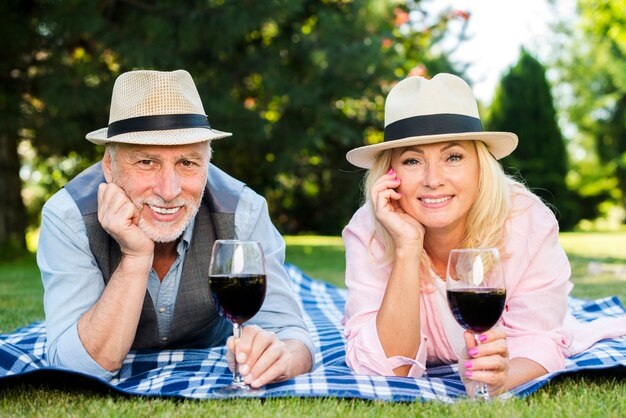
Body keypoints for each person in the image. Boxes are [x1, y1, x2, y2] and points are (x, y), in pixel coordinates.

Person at [341, 73, 626, 396]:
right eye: (412, 160)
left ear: (480, 164)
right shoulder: (369, 229)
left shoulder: (527, 221)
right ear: (390, 174)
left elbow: (539, 340)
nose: (433, 179)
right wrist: (407, 245)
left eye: (453, 157)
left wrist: (500, 379)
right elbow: (386, 370)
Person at [37, 69, 314, 386]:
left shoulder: (244, 210)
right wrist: (135, 256)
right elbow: (76, 368)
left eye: (187, 162)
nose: (169, 191)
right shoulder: (68, 217)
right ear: (110, 168)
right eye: (146, 162)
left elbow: (292, 336)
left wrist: (282, 358)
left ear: (206, 165)